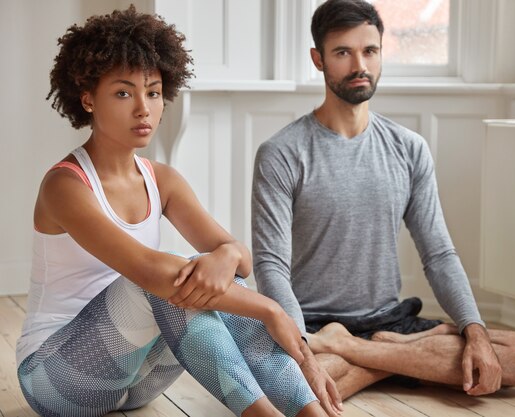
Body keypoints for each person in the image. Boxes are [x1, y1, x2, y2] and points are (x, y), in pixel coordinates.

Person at [16, 6, 330, 417]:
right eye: (124, 92)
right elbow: (150, 274)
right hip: (59, 380)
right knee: (168, 278)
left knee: (198, 272)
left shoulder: (162, 179)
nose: (144, 108)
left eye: (153, 91)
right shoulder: (65, 186)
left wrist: (224, 255)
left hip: (137, 381)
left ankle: (312, 412)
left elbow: (240, 259)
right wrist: (272, 310)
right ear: (88, 98)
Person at [251, 0, 515, 407]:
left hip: (392, 323)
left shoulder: (409, 149)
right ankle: (412, 359)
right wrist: (303, 348)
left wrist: (473, 331)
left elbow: (439, 254)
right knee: (283, 390)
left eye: (370, 51)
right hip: (315, 324)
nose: (360, 65)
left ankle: (360, 354)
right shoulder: (282, 153)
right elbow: (271, 267)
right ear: (318, 59)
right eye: (343, 52)